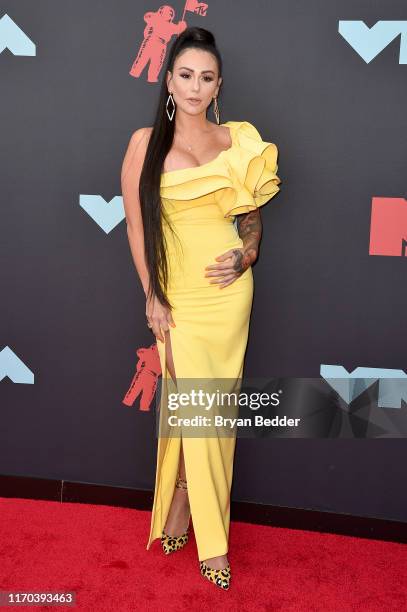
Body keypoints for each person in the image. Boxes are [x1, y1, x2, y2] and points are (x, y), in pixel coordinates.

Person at [121, 26, 281, 591]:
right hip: (179, 300)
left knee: (209, 412)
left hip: (228, 295)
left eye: (206, 77)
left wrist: (249, 254)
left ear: (218, 86)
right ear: (169, 81)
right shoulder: (145, 143)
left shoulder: (237, 140)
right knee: (193, 409)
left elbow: (253, 214)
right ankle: (195, 515)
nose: (194, 86)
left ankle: (202, 526)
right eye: (185, 75)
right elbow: (139, 230)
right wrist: (152, 295)